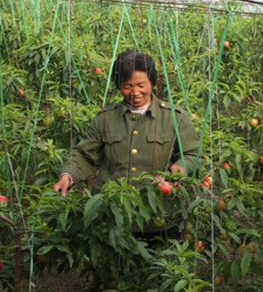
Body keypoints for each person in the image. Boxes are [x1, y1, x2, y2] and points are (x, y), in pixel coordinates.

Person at [52, 50, 202, 238]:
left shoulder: (174, 117)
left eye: (141, 85)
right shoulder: (105, 118)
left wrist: (180, 167)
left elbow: (192, 154)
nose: (135, 92)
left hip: (160, 215)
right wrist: (68, 176)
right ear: (118, 86)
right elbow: (85, 155)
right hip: (113, 213)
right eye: (127, 86)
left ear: (152, 82)